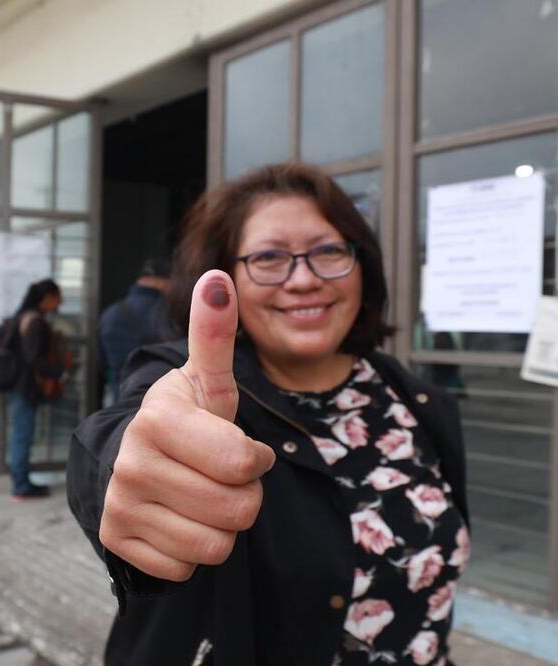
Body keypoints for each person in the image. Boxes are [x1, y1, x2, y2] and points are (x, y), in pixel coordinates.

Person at [68, 163, 470, 665]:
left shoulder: (416, 400)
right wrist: (124, 468)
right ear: (227, 275)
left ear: (362, 264)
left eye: (328, 251)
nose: (303, 279)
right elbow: (130, 428)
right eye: (268, 257)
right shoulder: (199, 390)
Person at [9, 278, 67, 499]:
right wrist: (59, 373)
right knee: (22, 435)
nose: (59, 303)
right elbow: (33, 358)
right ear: (47, 298)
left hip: (19, 384)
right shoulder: (34, 322)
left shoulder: (23, 317)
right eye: (57, 298)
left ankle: (21, 482)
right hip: (26, 387)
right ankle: (21, 486)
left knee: (21, 434)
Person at [98, 258, 172, 403]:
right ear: (163, 281)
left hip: (120, 400)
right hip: (162, 403)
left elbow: (100, 365)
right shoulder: (171, 314)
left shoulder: (110, 314)